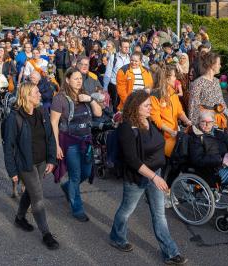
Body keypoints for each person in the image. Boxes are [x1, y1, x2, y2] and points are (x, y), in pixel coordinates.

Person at [109, 90, 188, 265]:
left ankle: (170, 252)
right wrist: (154, 177)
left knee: (159, 214)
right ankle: (116, 237)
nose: (150, 108)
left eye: (150, 104)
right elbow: (132, 160)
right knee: (126, 210)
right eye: (146, 105)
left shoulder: (148, 121)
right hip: (137, 178)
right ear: (135, 107)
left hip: (155, 174)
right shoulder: (126, 128)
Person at [2, 82, 59, 250]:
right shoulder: (15, 117)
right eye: (36, 93)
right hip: (25, 164)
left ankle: (19, 218)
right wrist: (12, 171)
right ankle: (46, 234)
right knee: (38, 198)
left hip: (42, 161)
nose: (40, 95)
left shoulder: (42, 112)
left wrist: (51, 159)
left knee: (32, 191)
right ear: (26, 96)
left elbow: (49, 137)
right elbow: (8, 146)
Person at [50, 68, 102, 222]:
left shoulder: (85, 96)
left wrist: (91, 100)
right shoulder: (59, 99)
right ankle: (77, 208)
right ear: (67, 80)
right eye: (75, 78)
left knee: (86, 172)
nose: (79, 81)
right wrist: (57, 145)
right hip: (70, 142)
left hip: (86, 141)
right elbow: (53, 122)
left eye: (80, 78)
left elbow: (98, 113)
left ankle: (67, 188)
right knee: (75, 175)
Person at [150, 65, 192, 207]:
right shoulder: (155, 95)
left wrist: (187, 121)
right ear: (166, 78)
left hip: (174, 134)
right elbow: (156, 119)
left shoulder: (173, 93)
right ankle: (163, 193)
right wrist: (170, 131)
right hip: (162, 136)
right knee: (170, 164)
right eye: (174, 76)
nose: (176, 78)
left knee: (177, 162)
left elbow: (179, 111)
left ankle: (168, 189)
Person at [188, 52, 228, 132]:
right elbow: (193, 105)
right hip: (204, 123)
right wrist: (193, 127)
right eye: (219, 63)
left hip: (217, 122)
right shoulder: (198, 82)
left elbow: (221, 101)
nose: (220, 66)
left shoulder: (216, 81)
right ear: (212, 65)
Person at [103, 39, 131, 111]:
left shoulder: (130, 58)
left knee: (125, 105)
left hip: (126, 86)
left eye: (128, 47)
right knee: (116, 106)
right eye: (124, 47)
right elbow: (108, 72)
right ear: (120, 47)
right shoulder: (114, 57)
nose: (126, 48)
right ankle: (116, 120)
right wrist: (105, 87)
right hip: (115, 85)